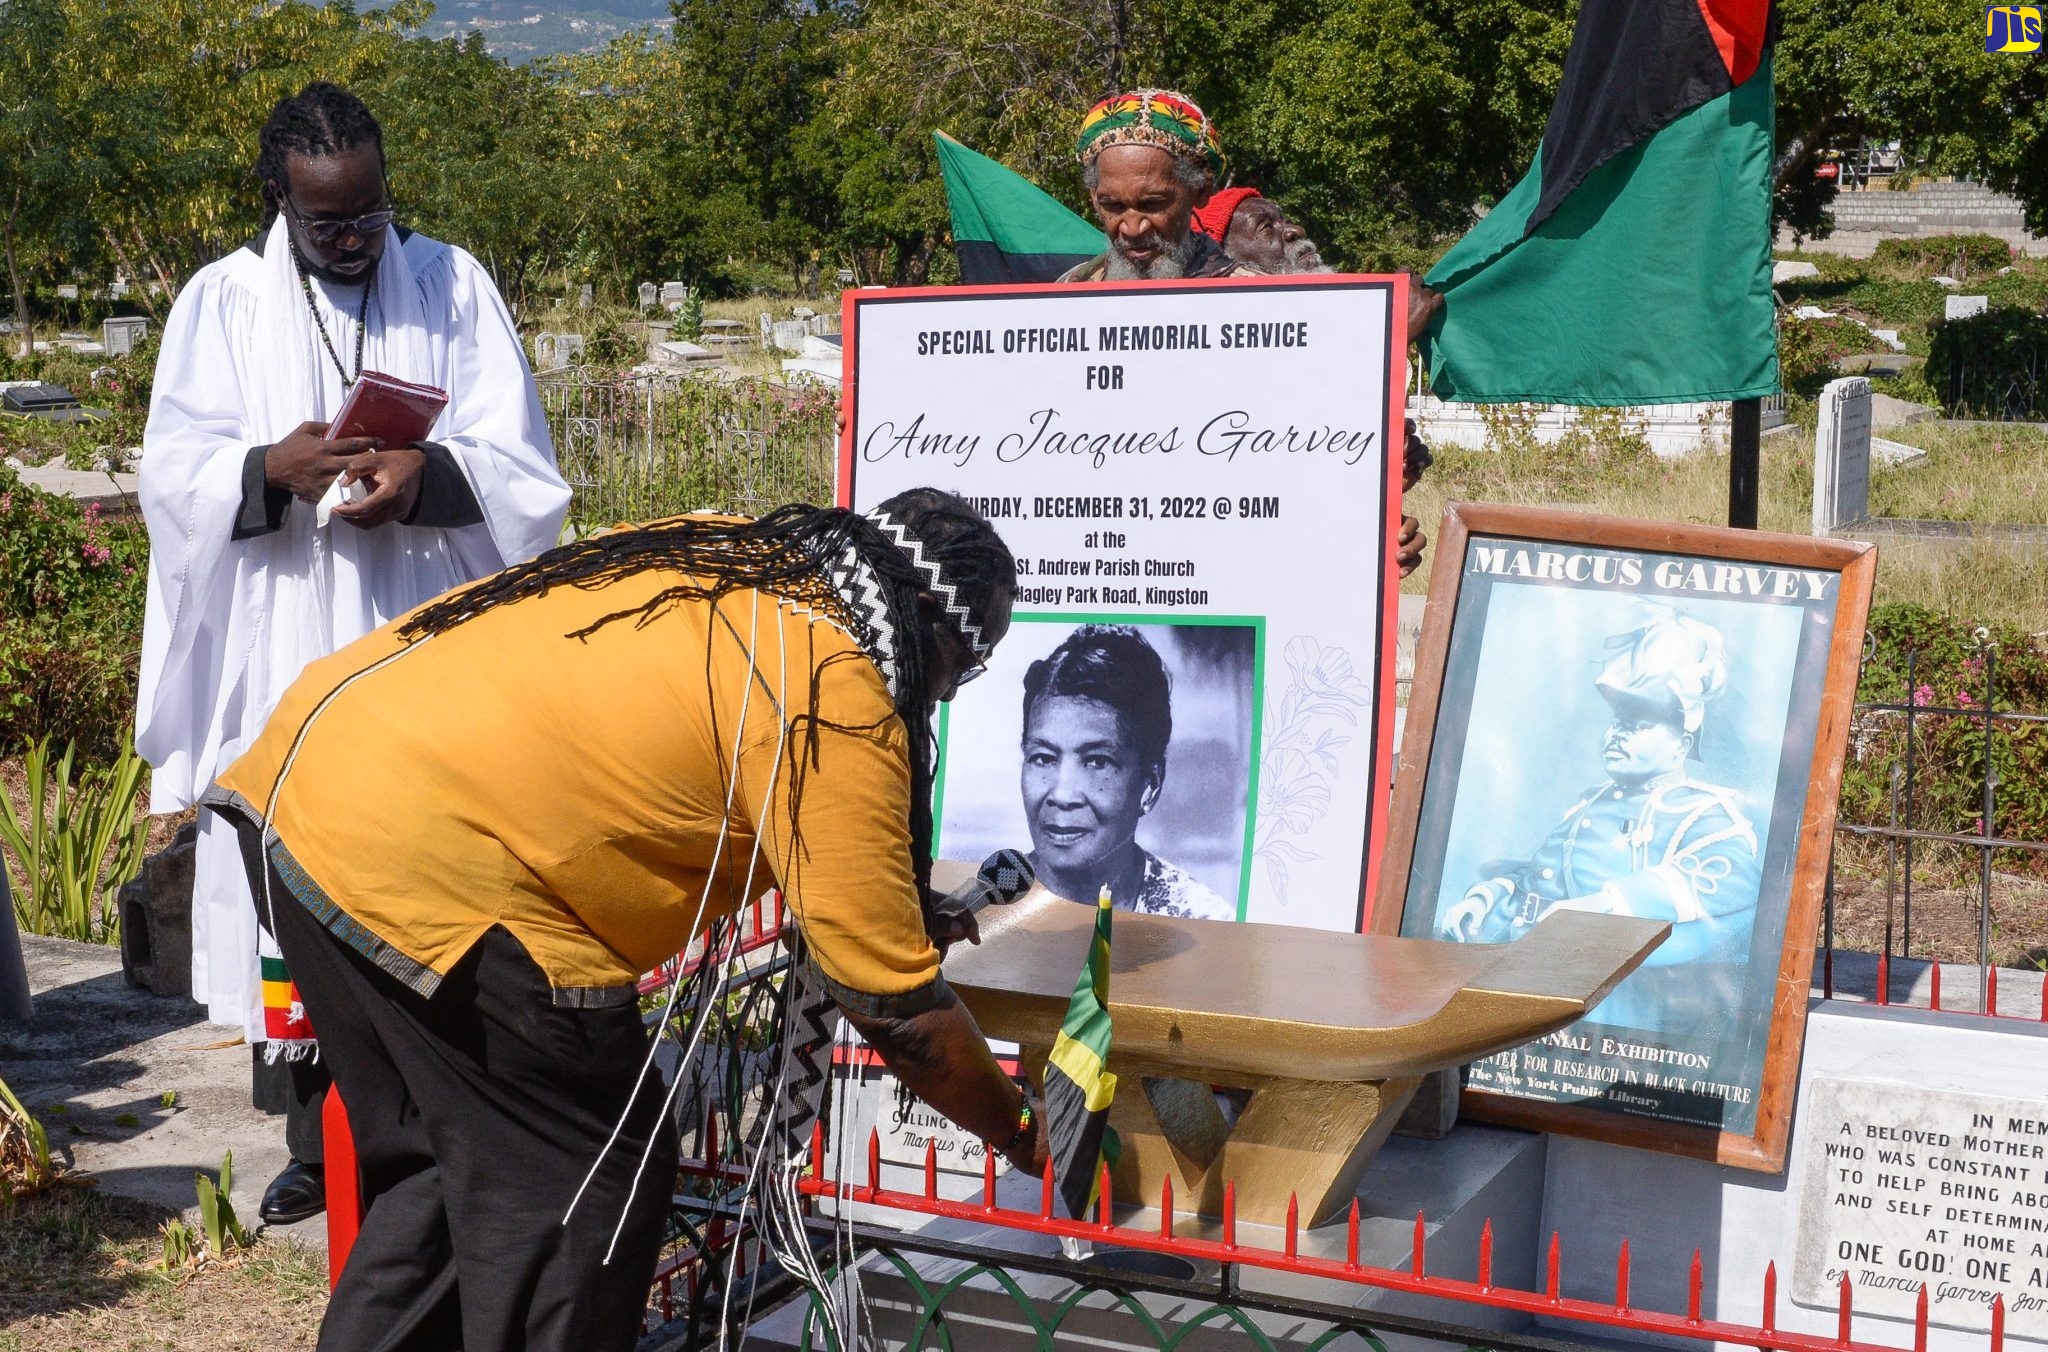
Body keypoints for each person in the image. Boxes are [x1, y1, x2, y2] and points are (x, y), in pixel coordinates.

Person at [204, 490, 1049, 1350]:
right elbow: (900, 1016)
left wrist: (888, 902)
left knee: (444, 1175)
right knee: (584, 1190)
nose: (943, 695)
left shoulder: (725, 545)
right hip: (438, 871)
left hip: (299, 788)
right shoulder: (835, 688)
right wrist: (1022, 1132)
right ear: (933, 631)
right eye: (962, 669)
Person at [135, 81, 570, 1226]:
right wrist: (265, 471)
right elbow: (170, 477)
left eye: (369, 211)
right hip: (284, 634)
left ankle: (432, 1128)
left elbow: (521, 463)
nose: (352, 236)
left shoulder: (450, 282)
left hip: (419, 629)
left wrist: (425, 477)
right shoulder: (220, 303)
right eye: (327, 217)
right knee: (299, 894)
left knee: (422, 879)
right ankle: (314, 1145)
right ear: (276, 196)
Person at [1440, 608, 1762, 1025]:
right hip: (1530, 966)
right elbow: (1539, 875)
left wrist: (1607, 902)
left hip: (1613, 1000)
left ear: (1681, 746)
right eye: (1616, 722)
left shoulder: (1702, 810)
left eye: (1638, 723)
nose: (1617, 734)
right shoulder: (1588, 802)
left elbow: (1734, 876)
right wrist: (1486, 897)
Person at [1019, 625, 1235, 920]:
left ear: (1150, 786)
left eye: (1096, 762)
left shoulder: (1202, 924)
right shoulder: (980, 906)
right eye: (1043, 758)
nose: (1062, 794)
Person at [1057, 89, 1262, 282]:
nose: (1133, 229)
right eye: (1114, 206)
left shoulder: (1256, 300)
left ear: (1200, 191)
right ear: (1094, 197)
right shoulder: (1068, 291)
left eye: (1151, 204)